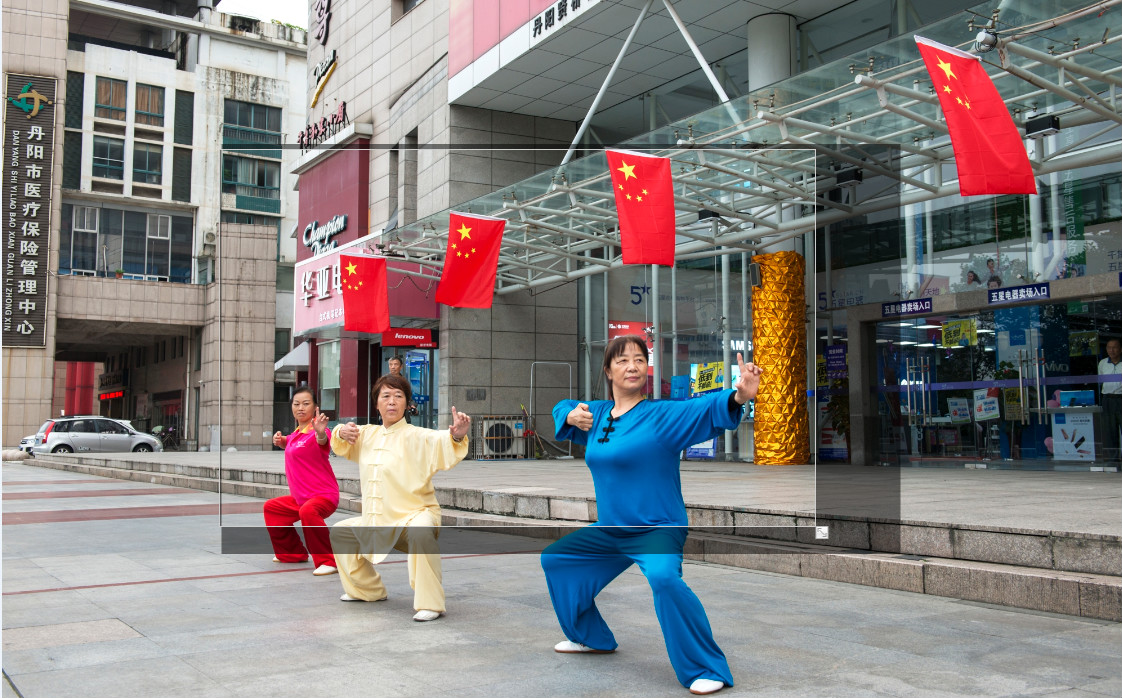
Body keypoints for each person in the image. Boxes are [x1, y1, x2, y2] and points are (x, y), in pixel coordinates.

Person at [543, 334, 762, 696]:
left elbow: (704, 408)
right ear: (608, 370)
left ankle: (707, 668)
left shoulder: (662, 416)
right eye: (622, 360)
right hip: (612, 529)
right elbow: (562, 407)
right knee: (557, 559)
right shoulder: (596, 415)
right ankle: (590, 637)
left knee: (663, 578)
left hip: (657, 528)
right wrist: (568, 413)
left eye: (639, 360)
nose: (632, 366)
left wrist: (739, 396)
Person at [329, 373, 472, 621]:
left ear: (407, 403)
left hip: (415, 515)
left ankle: (430, 603)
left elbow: (445, 440)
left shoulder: (419, 435)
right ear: (376, 403)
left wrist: (457, 435)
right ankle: (367, 590)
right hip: (379, 519)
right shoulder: (367, 434)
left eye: (398, 396)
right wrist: (341, 431)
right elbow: (340, 438)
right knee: (341, 532)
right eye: (385, 396)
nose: (392, 401)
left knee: (421, 531)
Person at [265, 386, 339, 576]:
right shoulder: (296, 434)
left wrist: (320, 433)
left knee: (308, 511)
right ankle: (292, 553)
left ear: (315, 407)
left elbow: (322, 440)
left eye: (306, 404)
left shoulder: (319, 431)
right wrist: (281, 440)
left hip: (323, 496)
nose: (300, 408)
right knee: (272, 509)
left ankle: (328, 561)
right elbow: (292, 443)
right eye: (296, 404)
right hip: (301, 498)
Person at [1099, 339, 1122, 461]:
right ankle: (1113, 461)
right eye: (1109, 348)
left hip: (1121, 398)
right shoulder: (1102, 363)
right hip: (1108, 399)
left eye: (1114, 347)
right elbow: (1100, 380)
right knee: (1110, 431)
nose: (1111, 350)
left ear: (1120, 349)